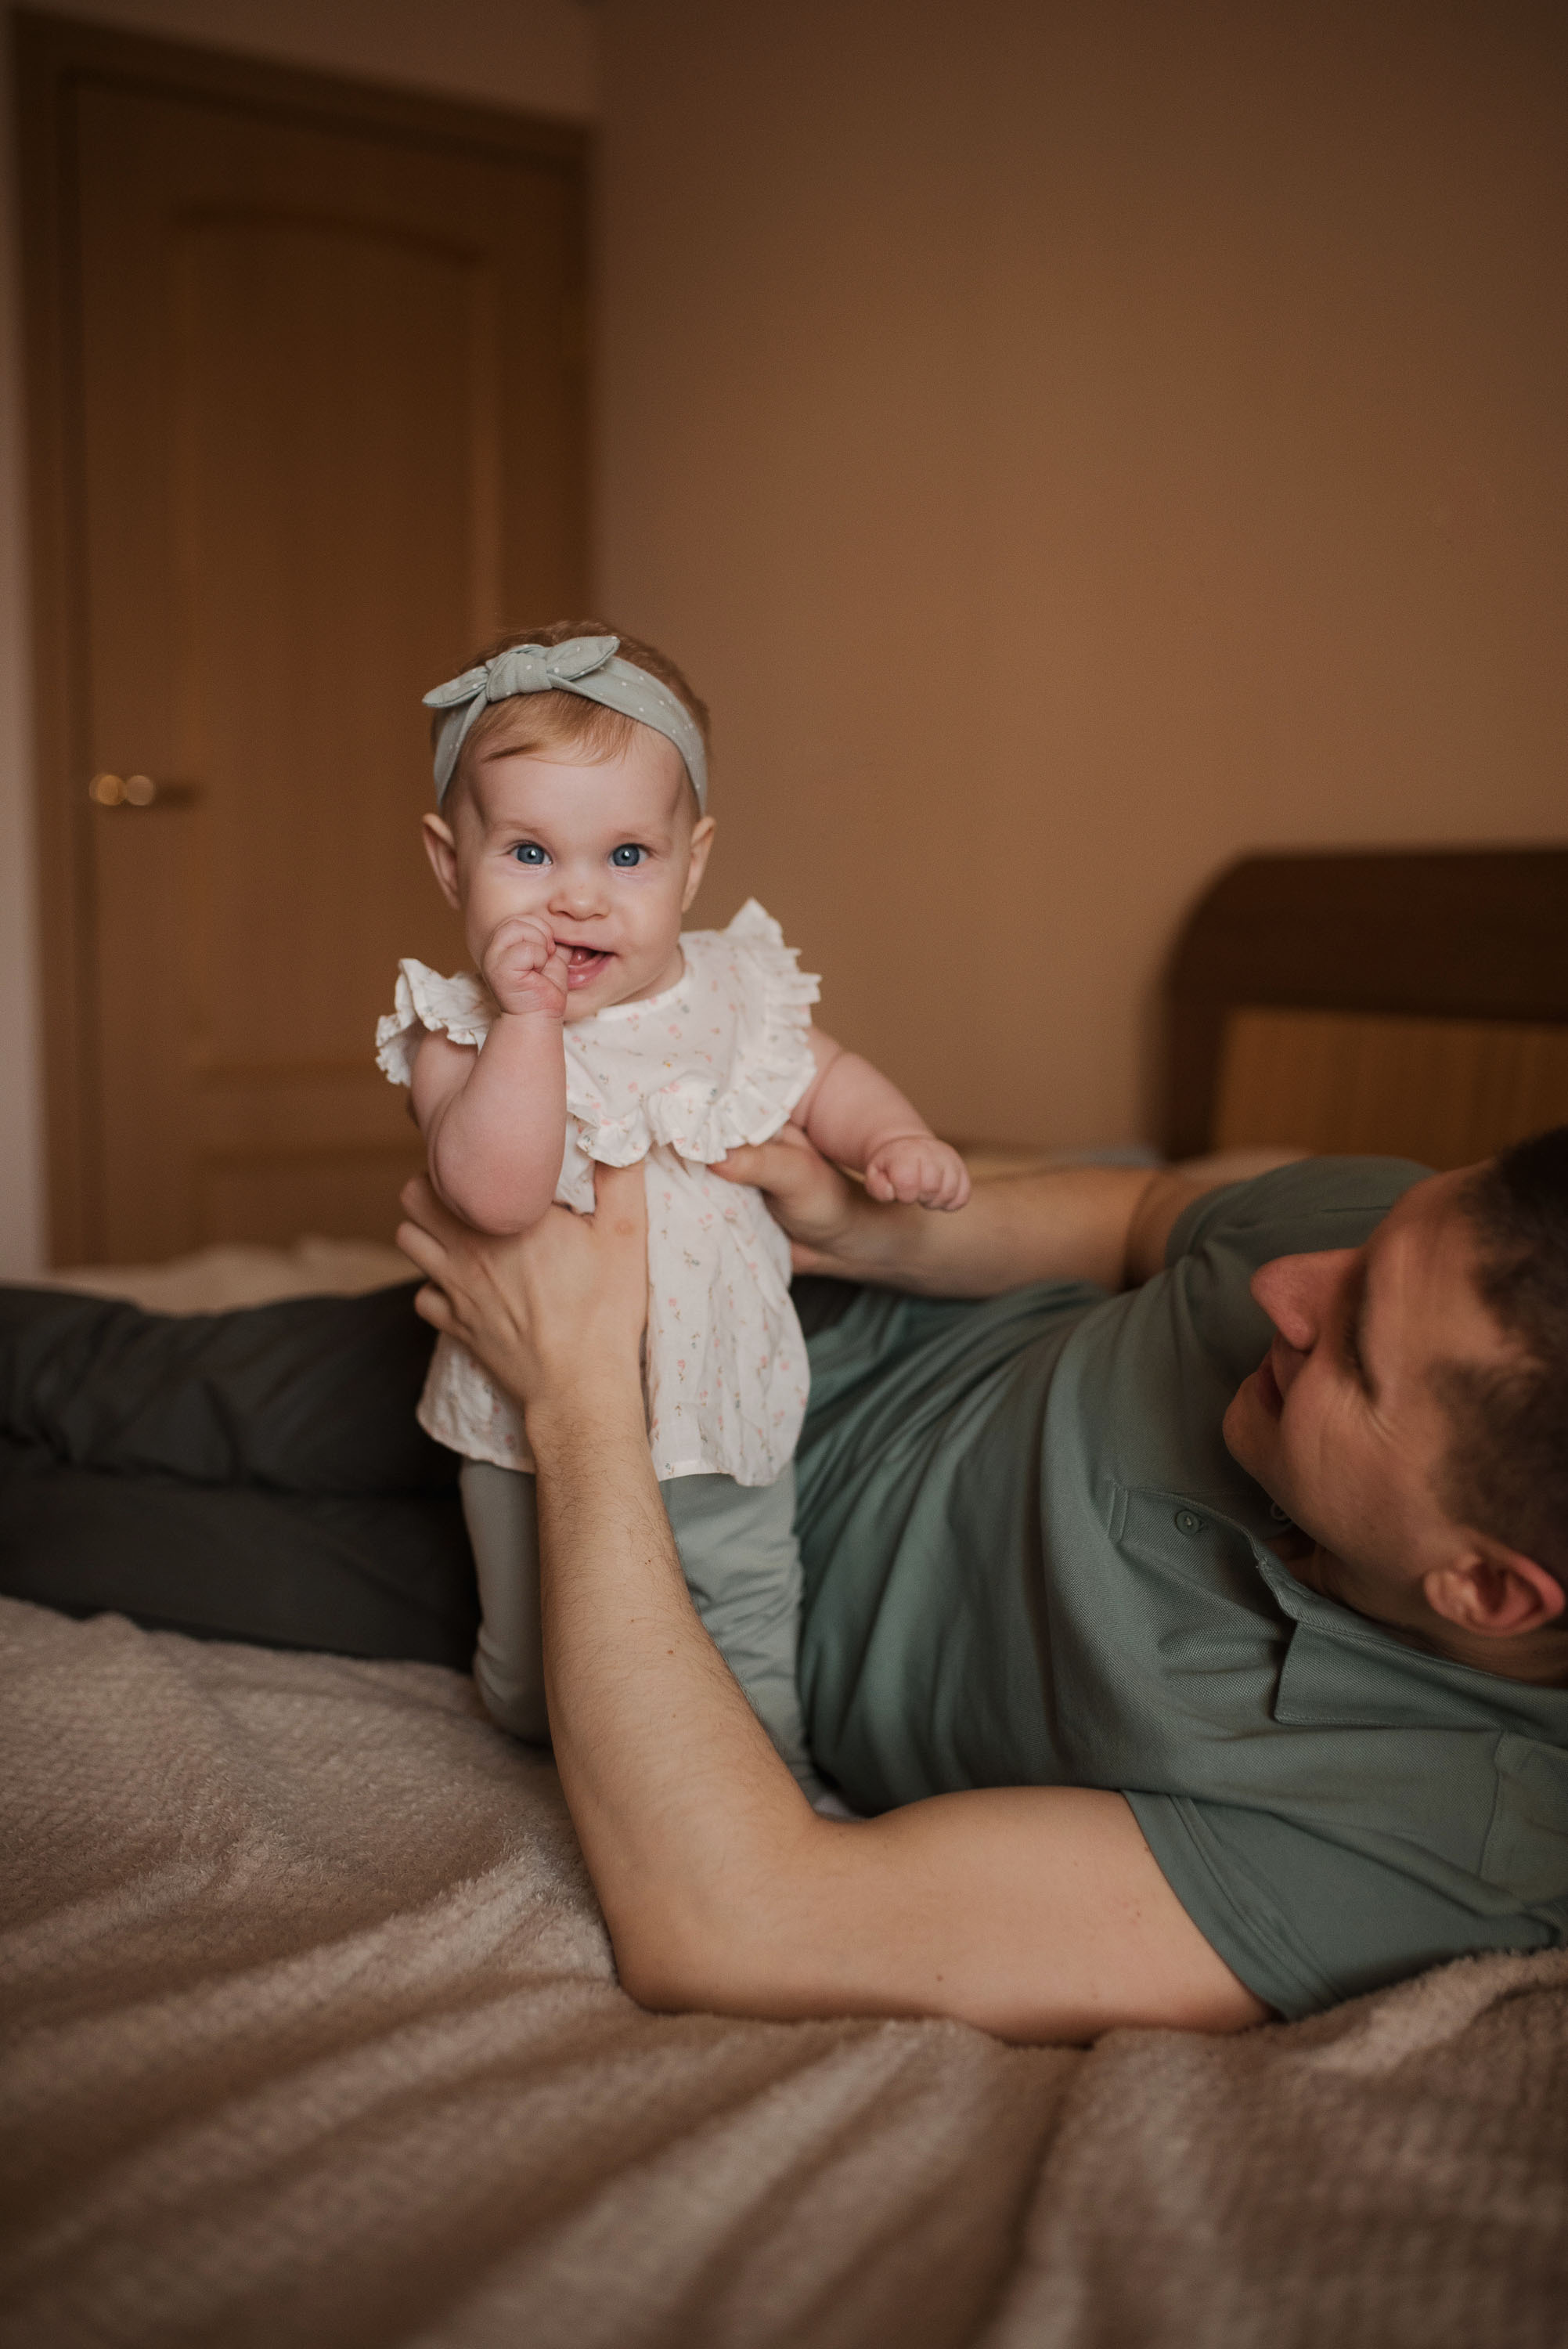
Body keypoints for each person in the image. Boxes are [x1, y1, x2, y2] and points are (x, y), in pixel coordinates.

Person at [394, 1123, 1568, 2044]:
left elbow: (741, 1924)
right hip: (765, 1333)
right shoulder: (1427, 1251)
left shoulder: (1429, 1844)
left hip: (665, 1594)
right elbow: (1151, 1209)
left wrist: (576, 1392)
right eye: (1365, 1250)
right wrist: (890, 1234)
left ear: (1489, 1593)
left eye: (1351, 1347)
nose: (1289, 1287)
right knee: (218, 1383)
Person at [375, 622, 968, 1793]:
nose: (582, 899)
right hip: (528, 1420)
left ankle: (768, 1786)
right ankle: (549, 1743)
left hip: (719, 1390)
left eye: (628, 857)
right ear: (454, 866)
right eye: (532, 856)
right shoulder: (459, 1031)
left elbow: (825, 1076)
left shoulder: (734, 993)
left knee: (746, 1608)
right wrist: (532, 1024)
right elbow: (491, 1192)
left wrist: (891, 1138)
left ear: (693, 864)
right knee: (534, 1656)